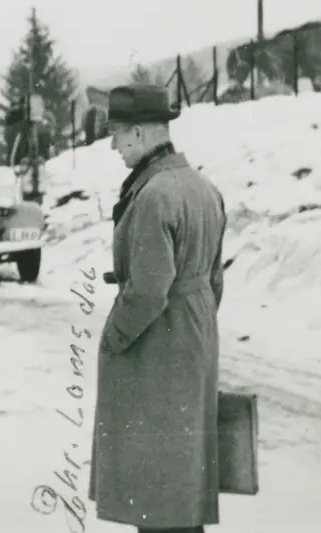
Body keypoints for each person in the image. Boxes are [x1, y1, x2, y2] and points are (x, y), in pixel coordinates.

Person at [89, 84, 227, 533]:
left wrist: (114, 337)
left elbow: (149, 289)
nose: (112, 144)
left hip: (158, 346)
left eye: (115, 134)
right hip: (194, 335)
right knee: (183, 472)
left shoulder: (153, 194)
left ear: (138, 133)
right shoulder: (202, 187)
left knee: (153, 480)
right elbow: (215, 280)